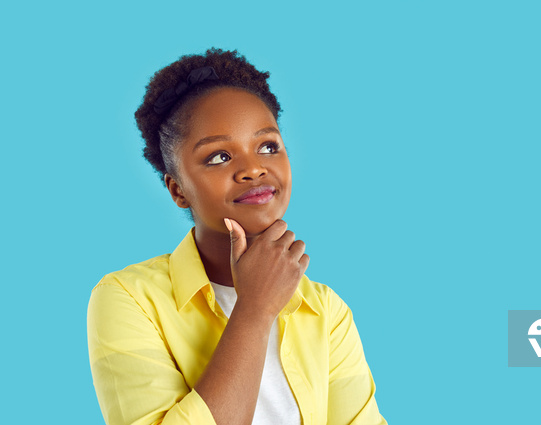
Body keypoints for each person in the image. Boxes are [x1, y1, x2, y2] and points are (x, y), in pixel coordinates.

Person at [87, 48, 386, 425]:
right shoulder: (127, 299)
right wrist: (255, 310)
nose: (253, 169)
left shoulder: (326, 311)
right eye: (219, 157)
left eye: (268, 146)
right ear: (178, 190)